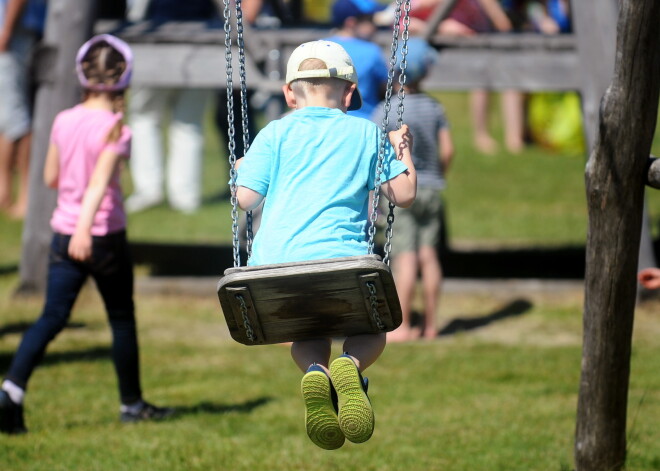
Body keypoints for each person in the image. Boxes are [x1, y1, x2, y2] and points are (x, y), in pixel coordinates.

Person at [235, 40, 416, 449]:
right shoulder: (367, 133)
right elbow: (403, 195)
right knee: (373, 329)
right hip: (343, 263)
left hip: (274, 271)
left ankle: (316, 371)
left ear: (288, 94)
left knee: (307, 333)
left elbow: (246, 199)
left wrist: (239, 170)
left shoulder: (274, 132)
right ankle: (349, 366)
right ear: (350, 94)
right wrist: (404, 152)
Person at [0, 34, 172, 435]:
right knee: (121, 320)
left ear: (82, 74)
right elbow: (98, 184)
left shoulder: (64, 120)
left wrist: (73, 223)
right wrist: (85, 229)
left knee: (52, 317)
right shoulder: (116, 129)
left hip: (63, 232)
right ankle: (131, 404)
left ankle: (11, 389)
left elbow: (49, 177)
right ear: (123, 77)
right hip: (100, 236)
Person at [372, 38, 454, 341]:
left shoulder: (384, 111)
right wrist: (437, 174)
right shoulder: (435, 108)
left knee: (404, 257)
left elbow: (375, 153)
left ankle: (403, 325)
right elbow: (448, 149)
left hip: (399, 192)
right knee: (428, 255)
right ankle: (431, 325)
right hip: (431, 186)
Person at [124, 0, 216, 213]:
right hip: (199, 41)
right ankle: (184, 195)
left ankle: (152, 190)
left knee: (146, 118)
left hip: (155, 38)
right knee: (186, 123)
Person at [0, 0, 46, 219]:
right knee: (8, 116)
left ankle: (26, 197)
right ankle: (5, 192)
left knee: (18, 117)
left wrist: (6, 30)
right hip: (12, 32)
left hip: (13, 34)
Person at [325, 0, 389, 120]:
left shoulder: (320, 46)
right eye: (370, 20)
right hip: (365, 121)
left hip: (326, 121)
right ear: (351, 23)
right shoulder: (371, 51)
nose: (375, 27)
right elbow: (387, 87)